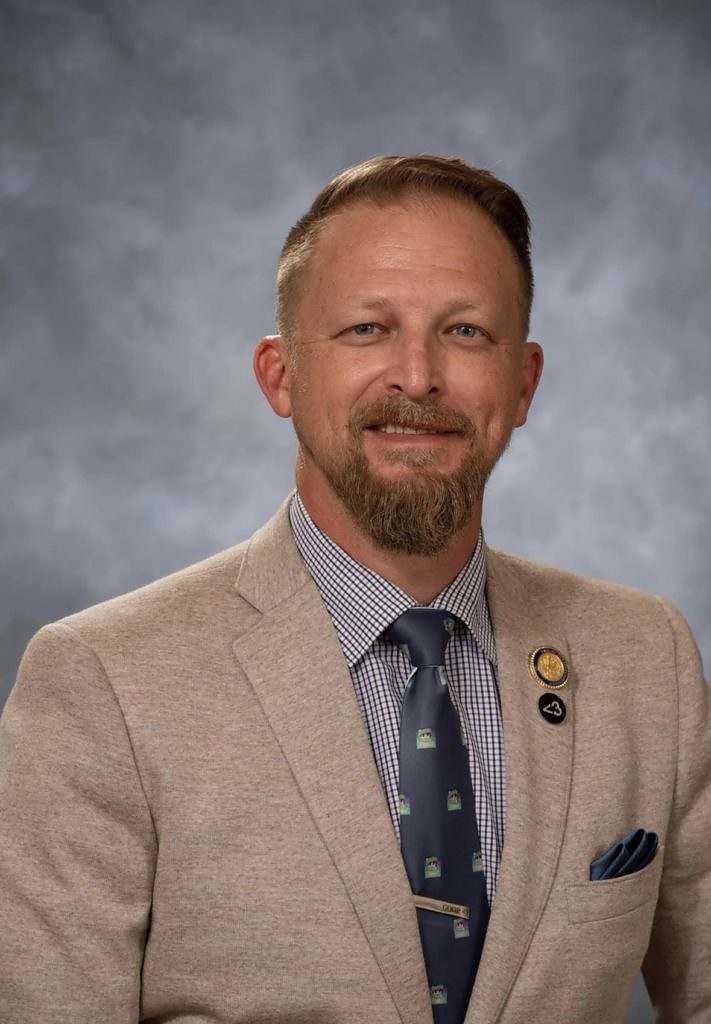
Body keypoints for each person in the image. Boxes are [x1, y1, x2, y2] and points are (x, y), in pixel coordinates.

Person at [1, 154, 709, 1024]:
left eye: (465, 332)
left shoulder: (644, 658)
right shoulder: (103, 680)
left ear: (522, 382)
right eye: (367, 329)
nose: (416, 376)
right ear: (280, 375)